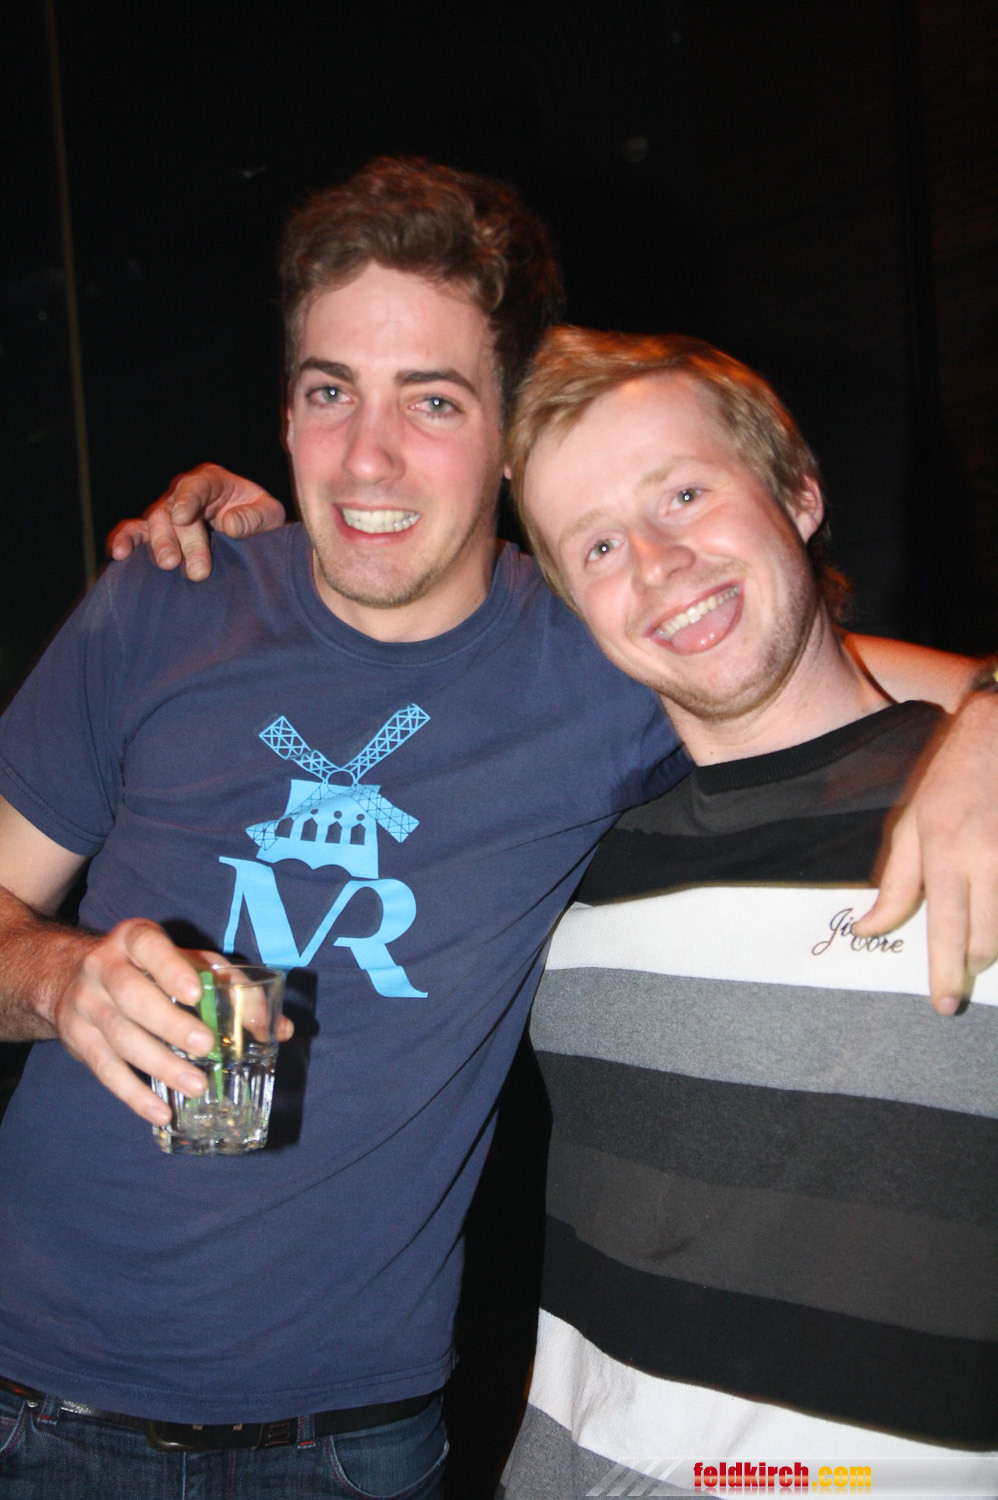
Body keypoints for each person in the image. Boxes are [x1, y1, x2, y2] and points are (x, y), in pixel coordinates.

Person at [0, 157, 993, 1499]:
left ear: (506, 438)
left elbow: (827, 661)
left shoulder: (598, 654)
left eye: (432, 401)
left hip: (348, 1440)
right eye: (330, 393)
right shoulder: (166, 599)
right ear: (285, 412)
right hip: (29, 1396)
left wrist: (989, 717)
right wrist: (59, 979)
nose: (367, 457)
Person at [496, 328, 998, 1497]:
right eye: (599, 544)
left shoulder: (974, 810)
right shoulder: (567, 868)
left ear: (798, 495)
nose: (656, 563)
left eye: (683, 494)